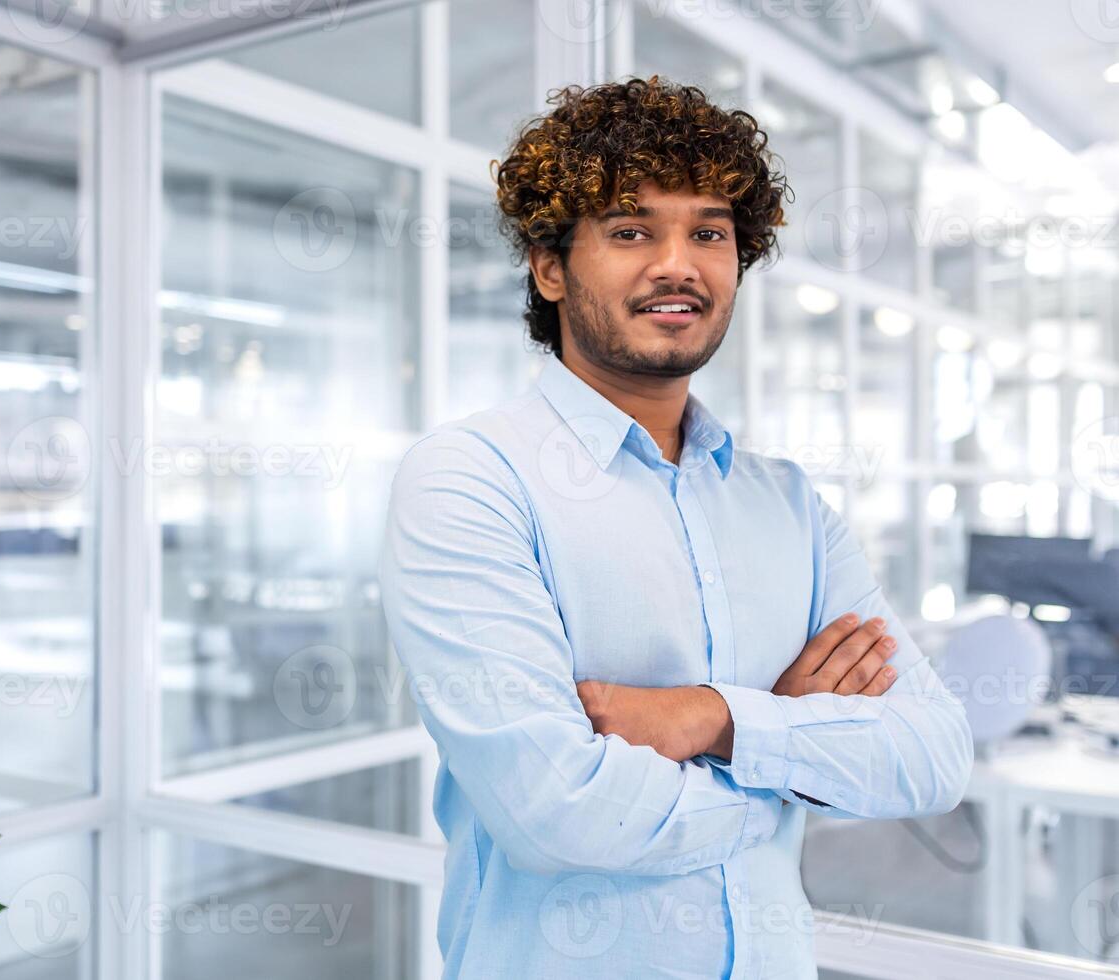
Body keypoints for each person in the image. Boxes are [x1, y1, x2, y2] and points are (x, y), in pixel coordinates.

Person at [378, 76, 973, 979]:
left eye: (709, 231)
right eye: (630, 231)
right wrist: (790, 758)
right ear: (550, 266)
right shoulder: (470, 481)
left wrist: (713, 718)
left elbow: (933, 755)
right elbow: (557, 811)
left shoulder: (788, 505)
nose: (678, 264)